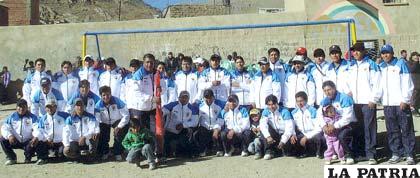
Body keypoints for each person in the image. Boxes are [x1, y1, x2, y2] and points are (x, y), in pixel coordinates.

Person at [375, 44, 416, 165]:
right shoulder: (381, 67)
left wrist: (405, 99)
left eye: (387, 53)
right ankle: (396, 153)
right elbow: (379, 86)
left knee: (406, 129)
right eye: (383, 53)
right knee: (392, 130)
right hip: (388, 104)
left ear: (392, 53)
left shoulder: (400, 64)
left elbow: (408, 83)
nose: (385, 55)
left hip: (400, 104)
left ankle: (409, 154)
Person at [347, 42, 381, 164]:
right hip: (355, 102)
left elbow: (377, 83)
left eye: (358, 50)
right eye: (353, 51)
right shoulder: (351, 65)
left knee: (369, 128)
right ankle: (360, 153)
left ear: (363, 51)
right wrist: (348, 91)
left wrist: (373, 99)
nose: (355, 53)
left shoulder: (371, 64)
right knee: (358, 128)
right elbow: (347, 82)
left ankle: (371, 154)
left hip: (367, 102)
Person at [318, 81, 356, 164]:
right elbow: (319, 115)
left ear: (334, 88)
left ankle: (349, 155)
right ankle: (334, 152)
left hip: (348, 124)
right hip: (332, 124)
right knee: (323, 136)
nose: (327, 92)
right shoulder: (325, 100)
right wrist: (324, 126)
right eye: (325, 91)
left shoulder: (344, 98)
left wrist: (334, 126)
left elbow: (348, 117)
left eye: (329, 89)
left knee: (341, 136)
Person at [0, 99, 46, 165]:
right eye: (19, 107)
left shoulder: (33, 117)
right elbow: (4, 128)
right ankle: (12, 158)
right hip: (15, 140)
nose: (21, 109)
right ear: (16, 107)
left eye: (23, 107)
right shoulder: (11, 117)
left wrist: (36, 136)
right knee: (2, 139)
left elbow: (37, 128)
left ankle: (40, 157)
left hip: (28, 142)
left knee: (39, 138)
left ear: (27, 107)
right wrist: (9, 135)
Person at [131, 54, 165, 131]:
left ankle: (154, 143)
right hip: (141, 108)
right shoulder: (138, 74)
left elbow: (163, 87)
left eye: (151, 62)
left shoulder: (157, 73)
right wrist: (151, 99)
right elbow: (137, 92)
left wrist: (161, 90)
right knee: (143, 132)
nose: (149, 65)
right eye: (147, 62)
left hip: (153, 108)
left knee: (154, 131)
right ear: (143, 62)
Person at [95, 86, 130, 161]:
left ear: (111, 94)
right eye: (103, 95)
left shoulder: (117, 101)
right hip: (105, 122)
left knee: (119, 133)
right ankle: (105, 152)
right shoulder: (98, 105)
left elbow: (126, 115)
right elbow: (97, 119)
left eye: (108, 94)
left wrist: (119, 126)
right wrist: (97, 130)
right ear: (100, 96)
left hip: (116, 120)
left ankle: (117, 152)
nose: (106, 97)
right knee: (103, 135)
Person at [162, 91, 199, 157]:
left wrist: (183, 125)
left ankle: (187, 153)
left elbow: (195, 122)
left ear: (188, 99)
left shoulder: (192, 108)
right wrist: (162, 112)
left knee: (189, 133)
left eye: (186, 97)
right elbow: (163, 111)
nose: (184, 99)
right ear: (179, 98)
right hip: (171, 130)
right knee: (165, 141)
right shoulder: (172, 105)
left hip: (183, 130)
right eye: (182, 97)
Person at [259, 94, 294, 160]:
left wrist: (283, 141)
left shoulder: (284, 111)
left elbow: (289, 128)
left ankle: (280, 151)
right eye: (269, 105)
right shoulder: (265, 111)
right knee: (264, 130)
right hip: (274, 134)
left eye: (273, 104)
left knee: (287, 153)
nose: (271, 107)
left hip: (284, 134)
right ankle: (268, 151)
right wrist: (268, 136)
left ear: (277, 103)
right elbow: (263, 125)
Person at [291, 91, 324, 158]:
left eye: (301, 101)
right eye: (297, 101)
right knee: (292, 139)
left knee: (319, 138)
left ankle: (320, 152)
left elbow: (318, 128)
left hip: (313, 133)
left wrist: (307, 137)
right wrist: (293, 134)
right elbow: (292, 126)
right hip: (302, 133)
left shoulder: (313, 111)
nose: (299, 103)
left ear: (306, 100)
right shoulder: (294, 112)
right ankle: (303, 152)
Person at [194, 89, 225, 157]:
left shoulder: (220, 104)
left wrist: (216, 128)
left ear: (213, 97)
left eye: (210, 97)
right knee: (199, 132)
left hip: (216, 126)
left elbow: (221, 118)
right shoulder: (199, 106)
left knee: (220, 133)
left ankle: (220, 149)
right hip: (205, 127)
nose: (208, 99)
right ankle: (203, 150)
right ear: (204, 98)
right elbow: (196, 118)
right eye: (206, 97)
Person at [407, 52, 420, 116]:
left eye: (417, 56)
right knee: (414, 95)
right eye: (415, 56)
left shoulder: (418, 63)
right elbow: (412, 69)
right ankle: (412, 108)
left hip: (418, 81)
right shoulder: (410, 63)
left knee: (418, 96)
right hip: (414, 81)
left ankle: (416, 109)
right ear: (412, 57)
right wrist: (416, 62)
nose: (416, 57)